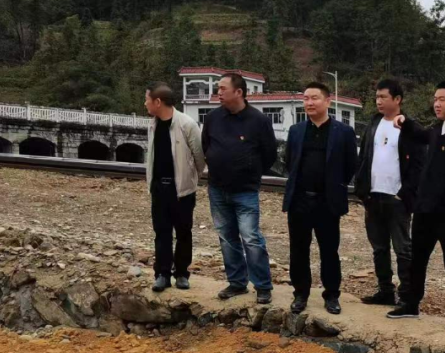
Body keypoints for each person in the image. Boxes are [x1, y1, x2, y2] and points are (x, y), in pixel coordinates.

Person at [387, 80, 445, 328]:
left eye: (442, 100)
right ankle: (411, 304)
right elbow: (421, 135)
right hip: (424, 207)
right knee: (418, 258)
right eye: (435, 99)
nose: (436, 104)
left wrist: (443, 193)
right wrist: (405, 122)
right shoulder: (438, 127)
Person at [201, 72, 278, 304]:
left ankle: (262, 286)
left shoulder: (258, 120)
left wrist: (249, 172)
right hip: (217, 189)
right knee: (226, 237)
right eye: (218, 88)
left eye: (223, 88)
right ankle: (237, 282)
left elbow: (269, 154)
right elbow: (206, 146)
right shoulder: (213, 118)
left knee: (251, 238)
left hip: (245, 190)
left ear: (239, 92)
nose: (218, 93)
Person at [282, 81, 358, 315]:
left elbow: (350, 165)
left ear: (327, 101)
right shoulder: (296, 131)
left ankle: (332, 295)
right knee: (298, 250)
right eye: (305, 98)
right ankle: (300, 293)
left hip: (327, 201)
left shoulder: (343, 132)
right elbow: (289, 162)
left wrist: (334, 187)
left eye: (314, 98)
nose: (309, 103)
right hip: (299, 200)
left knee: (329, 250)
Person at [354, 78, 421, 305]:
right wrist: (363, 191)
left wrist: (405, 194)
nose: (378, 101)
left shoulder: (408, 127)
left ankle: (407, 295)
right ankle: (385, 291)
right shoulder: (373, 124)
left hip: (397, 198)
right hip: (373, 196)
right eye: (377, 97)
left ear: (397, 99)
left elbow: (418, 165)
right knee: (379, 248)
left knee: (403, 249)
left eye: (383, 97)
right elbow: (363, 158)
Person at [143, 82, 205, 292]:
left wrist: (189, 178)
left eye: (147, 100)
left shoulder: (187, 124)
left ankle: (181, 273)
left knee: (183, 232)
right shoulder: (153, 125)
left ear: (158, 102)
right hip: (158, 189)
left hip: (182, 190)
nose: (145, 104)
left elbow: (199, 157)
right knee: (161, 232)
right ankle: (162, 273)